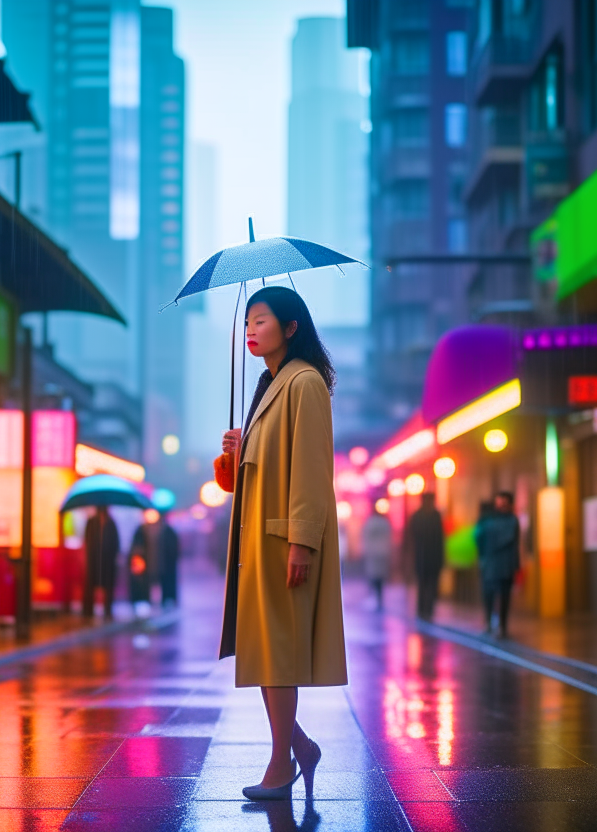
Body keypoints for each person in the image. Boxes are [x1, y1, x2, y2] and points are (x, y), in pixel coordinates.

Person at [219, 286, 347, 802]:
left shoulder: (304, 382)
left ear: (291, 328)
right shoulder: (270, 385)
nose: (251, 330)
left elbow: (312, 473)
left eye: (262, 320)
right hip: (259, 544)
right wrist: (236, 451)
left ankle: (281, 764)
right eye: (248, 322)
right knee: (266, 653)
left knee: (276, 654)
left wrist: (302, 543)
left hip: (282, 544)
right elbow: (248, 480)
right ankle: (300, 747)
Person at [475, 491, 521, 637]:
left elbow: (478, 538)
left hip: (497, 564)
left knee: (499, 596)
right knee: (493, 596)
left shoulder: (489, 520)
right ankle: (495, 625)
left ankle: (497, 625)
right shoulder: (509, 520)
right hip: (496, 564)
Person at [405, 493, 445, 622]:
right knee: (423, 584)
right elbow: (412, 537)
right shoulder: (418, 516)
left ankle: (428, 610)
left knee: (432, 584)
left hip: (432, 556)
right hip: (422, 556)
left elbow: (440, 538)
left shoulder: (435, 515)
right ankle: (422, 610)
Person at [83, 506, 120, 619]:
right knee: (91, 584)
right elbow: (87, 539)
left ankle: (107, 609)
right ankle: (88, 610)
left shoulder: (111, 523)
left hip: (107, 559)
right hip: (94, 558)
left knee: (108, 585)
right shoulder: (91, 522)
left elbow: (116, 542)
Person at [360, 506, 393, 612]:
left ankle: (375, 598)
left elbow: (365, 537)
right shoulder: (384, 523)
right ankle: (379, 599)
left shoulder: (370, 523)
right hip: (383, 553)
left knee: (374, 577)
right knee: (380, 579)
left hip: (373, 554)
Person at [157, 511, 181, 608]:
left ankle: (168, 599)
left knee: (168, 581)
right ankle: (169, 598)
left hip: (168, 562)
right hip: (168, 562)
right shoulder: (168, 531)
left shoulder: (167, 532)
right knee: (168, 581)